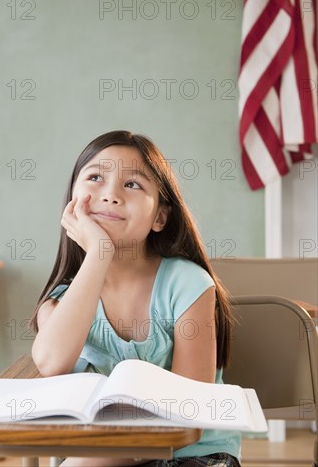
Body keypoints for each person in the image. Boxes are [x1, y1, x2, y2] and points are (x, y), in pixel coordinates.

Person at [30, 130, 241, 467]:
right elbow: (51, 361)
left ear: (160, 216)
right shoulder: (60, 301)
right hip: (105, 453)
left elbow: (190, 417)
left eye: (133, 184)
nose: (111, 194)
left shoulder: (187, 285)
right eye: (95, 177)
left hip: (192, 456)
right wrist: (99, 253)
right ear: (72, 201)